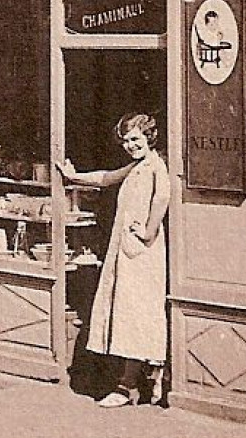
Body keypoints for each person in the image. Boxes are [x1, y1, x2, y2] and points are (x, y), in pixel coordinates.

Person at [59, 113, 170, 407]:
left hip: (143, 252)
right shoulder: (138, 166)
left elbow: (162, 198)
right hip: (129, 249)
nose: (130, 145)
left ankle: (130, 383)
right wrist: (73, 176)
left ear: (149, 138)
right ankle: (139, 378)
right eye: (126, 141)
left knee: (136, 311)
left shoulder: (156, 166)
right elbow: (107, 178)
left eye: (136, 139)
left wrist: (147, 231)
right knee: (128, 311)